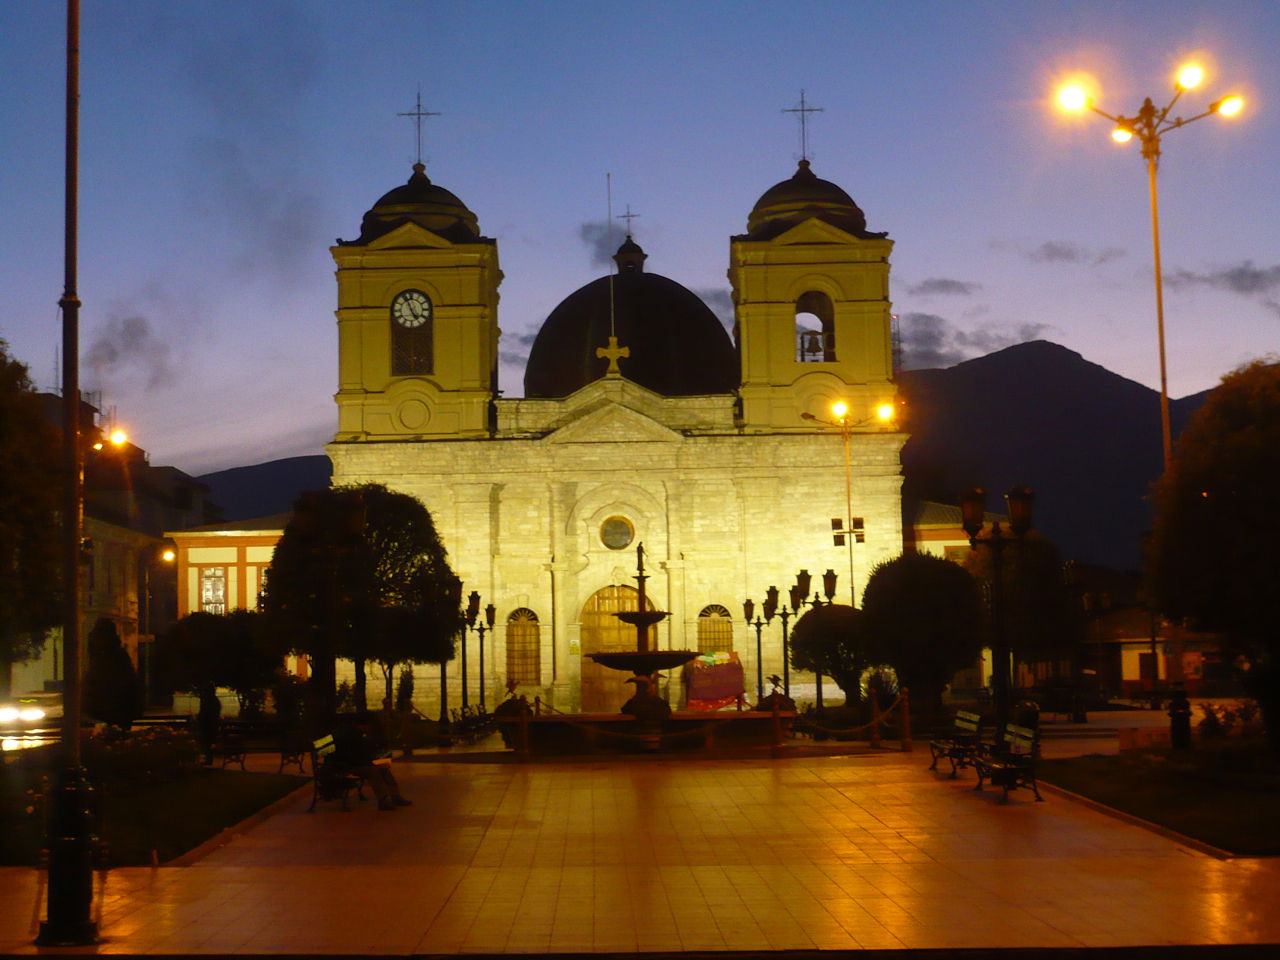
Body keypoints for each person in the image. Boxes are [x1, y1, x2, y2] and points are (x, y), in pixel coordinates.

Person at [332, 711, 411, 810]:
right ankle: (383, 799)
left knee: (384, 767)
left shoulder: (356, 733)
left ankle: (395, 796)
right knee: (374, 771)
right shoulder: (352, 735)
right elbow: (354, 756)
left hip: (356, 762)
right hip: (349, 765)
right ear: (363, 725)